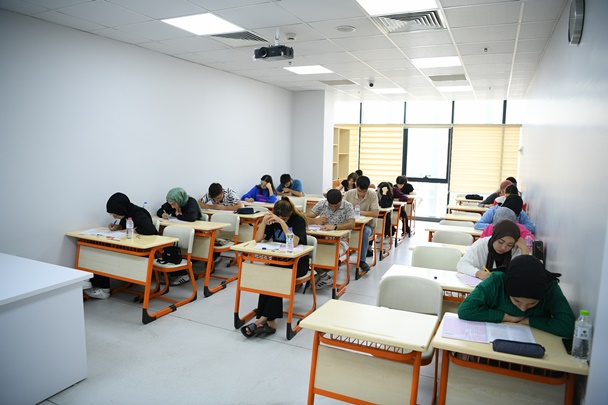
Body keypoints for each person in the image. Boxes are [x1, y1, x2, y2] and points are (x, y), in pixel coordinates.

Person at [240, 197, 309, 338]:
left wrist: (282, 222)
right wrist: (264, 222)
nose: (280, 219)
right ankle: (267, 320)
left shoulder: (298, 220)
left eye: (284, 218)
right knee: (269, 277)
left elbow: (294, 243)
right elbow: (258, 239)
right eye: (279, 217)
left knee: (276, 278)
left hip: (298, 263)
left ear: (290, 214)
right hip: (279, 260)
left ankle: (263, 320)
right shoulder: (273, 219)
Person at [458, 255, 575, 338]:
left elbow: (567, 326)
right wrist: (506, 317)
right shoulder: (496, 281)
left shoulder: (550, 287)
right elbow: (465, 310)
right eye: (517, 301)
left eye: (533, 303)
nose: (523, 309)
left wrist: (529, 321)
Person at [84, 192, 158, 299]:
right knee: (100, 250)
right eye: (113, 215)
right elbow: (124, 227)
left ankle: (103, 289)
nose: (115, 217)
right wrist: (117, 227)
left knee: (105, 255)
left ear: (122, 209)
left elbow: (151, 229)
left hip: (142, 251)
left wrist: (135, 229)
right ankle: (96, 284)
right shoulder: (126, 212)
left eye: (116, 215)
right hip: (130, 246)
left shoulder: (139, 213)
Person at [306, 189, 355, 289]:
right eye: (331, 205)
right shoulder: (322, 204)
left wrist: (335, 227)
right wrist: (316, 220)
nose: (333, 208)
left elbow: (352, 224)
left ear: (341, 199)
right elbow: (306, 218)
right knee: (307, 253)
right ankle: (324, 276)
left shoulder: (347, 206)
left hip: (339, 240)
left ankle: (321, 274)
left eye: (336, 206)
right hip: (320, 239)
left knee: (328, 255)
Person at [156, 187, 202, 285]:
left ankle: (182, 273)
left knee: (174, 245)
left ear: (179, 200)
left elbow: (192, 217)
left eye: (174, 204)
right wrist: (162, 214)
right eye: (170, 204)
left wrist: (178, 216)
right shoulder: (173, 202)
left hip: (194, 232)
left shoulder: (191, 202)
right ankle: (172, 272)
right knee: (169, 244)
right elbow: (161, 210)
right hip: (179, 231)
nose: (172, 207)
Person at [457, 219, 529, 280]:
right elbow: (462, 264)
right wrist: (478, 273)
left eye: (509, 245)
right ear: (494, 236)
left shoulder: (516, 249)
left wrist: (525, 249)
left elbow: (525, 273)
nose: (503, 248)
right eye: (500, 242)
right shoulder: (481, 245)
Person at [344, 176, 379, 274]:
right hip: (350, 225)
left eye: (364, 191)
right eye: (359, 191)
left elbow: (375, 213)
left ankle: (362, 261)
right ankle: (336, 258)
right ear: (356, 185)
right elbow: (342, 210)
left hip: (367, 226)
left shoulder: (372, 194)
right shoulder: (349, 194)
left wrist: (358, 212)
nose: (362, 194)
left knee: (365, 232)